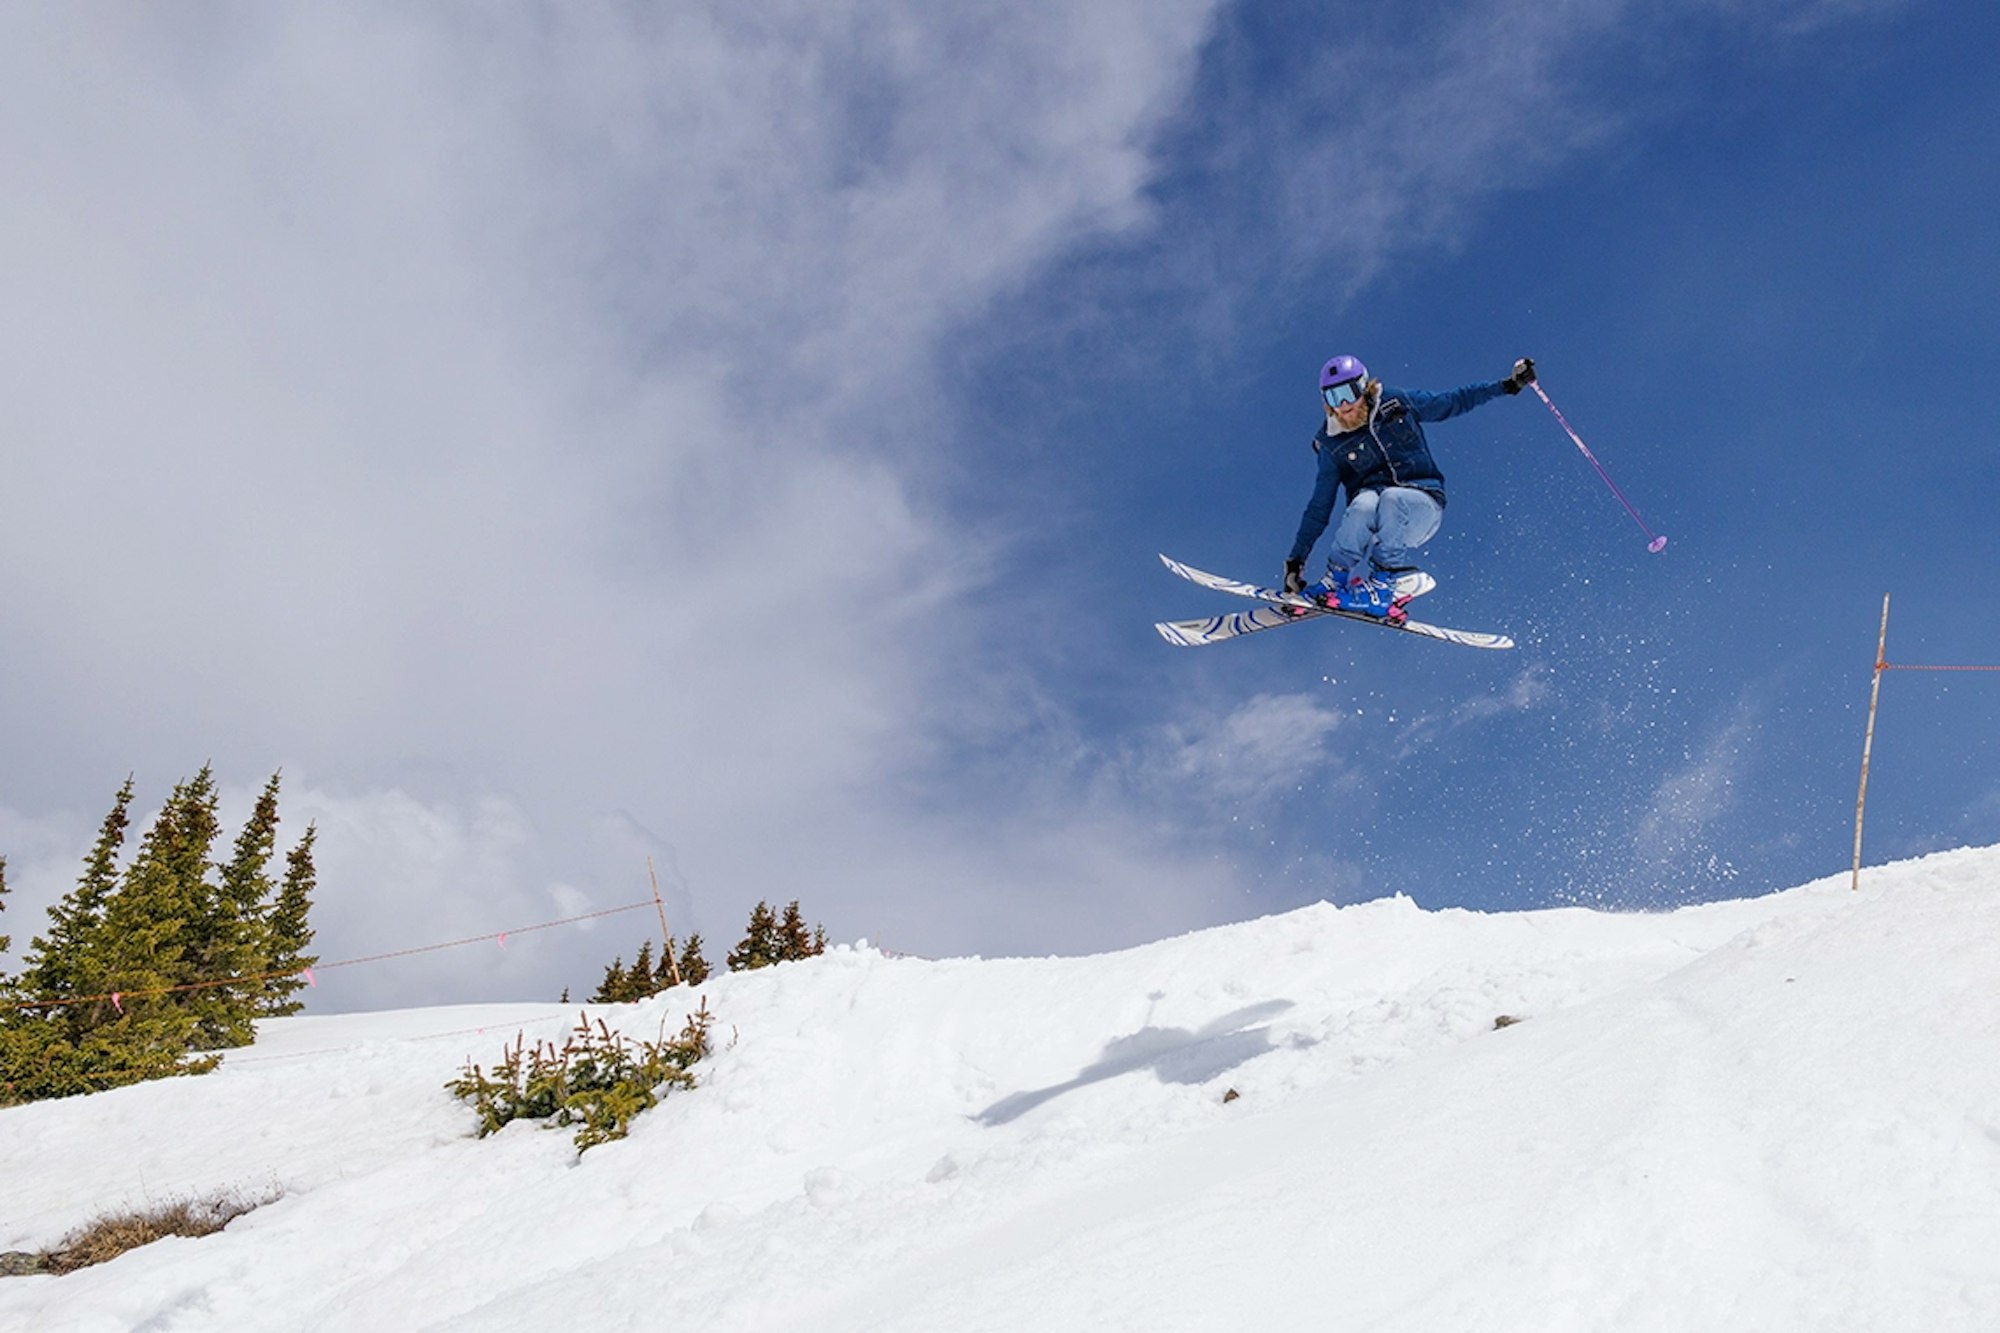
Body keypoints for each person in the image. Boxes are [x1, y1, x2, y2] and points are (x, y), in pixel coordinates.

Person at [1283, 353, 1537, 615]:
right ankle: (1335, 579)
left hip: (1421, 508)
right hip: (1380, 523)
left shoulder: (1396, 403)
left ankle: (1383, 584)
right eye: (1334, 397)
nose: (1344, 404)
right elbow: (1319, 505)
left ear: (1365, 387)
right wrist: (1296, 560)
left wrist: (1508, 385)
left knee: (1392, 498)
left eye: (1349, 392)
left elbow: (1452, 401)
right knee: (1363, 504)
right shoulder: (1330, 442)